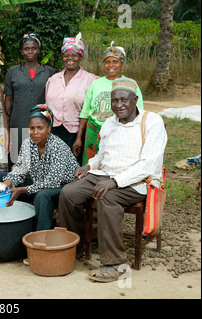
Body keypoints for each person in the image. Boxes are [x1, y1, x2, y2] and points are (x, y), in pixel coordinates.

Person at [58, 77, 167, 283]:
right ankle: (76, 244)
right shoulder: (109, 123)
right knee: (68, 193)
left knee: (106, 197)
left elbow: (148, 165)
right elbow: (102, 156)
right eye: (114, 101)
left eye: (124, 100)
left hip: (138, 181)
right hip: (105, 175)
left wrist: (115, 182)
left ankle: (115, 263)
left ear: (135, 99)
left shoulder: (151, 121)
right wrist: (88, 166)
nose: (119, 105)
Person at [0, 104, 79, 231]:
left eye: (40, 128)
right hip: (39, 184)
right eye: (32, 128)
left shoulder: (58, 146)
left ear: (49, 129)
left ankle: (41, 236)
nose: (35, 132)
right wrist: (5, 184)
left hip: (64, 188)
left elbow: (52, 181)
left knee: (42, 196)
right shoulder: (28, 144)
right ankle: (16, 232)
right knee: (9, 191)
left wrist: (22, 189)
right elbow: (20, 170)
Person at [78, 41, 144, 165]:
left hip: (119, 132)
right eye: (107, 62)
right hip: (93, 133)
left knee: (114, 165)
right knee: (91, 166)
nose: (111, 65)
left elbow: (139, 112)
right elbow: (85, 113)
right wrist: (79, 138)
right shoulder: (95, 84)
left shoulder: (130, 85)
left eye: (115, 61)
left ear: (122, 63)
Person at [45, 33, 98, 162]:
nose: (70, 58)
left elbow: (89, 111)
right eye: (66, 55)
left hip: (76, 134)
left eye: (74, 55)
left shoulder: (91, 80)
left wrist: (79, 138)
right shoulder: (53, 80)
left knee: (73, 169)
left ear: (80, 57)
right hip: (53, 132)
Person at [4, 32, 55, 165]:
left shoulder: (49, 72)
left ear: (39, 50)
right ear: (22, 52)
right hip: (18, 123)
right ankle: (14, 185)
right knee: (17, 159)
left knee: (40, 158)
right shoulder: (13, 71)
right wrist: (9, 123)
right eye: (26, 49)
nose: (30, 51)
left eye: (34, 48)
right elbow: (8, 100)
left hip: (41, 124)